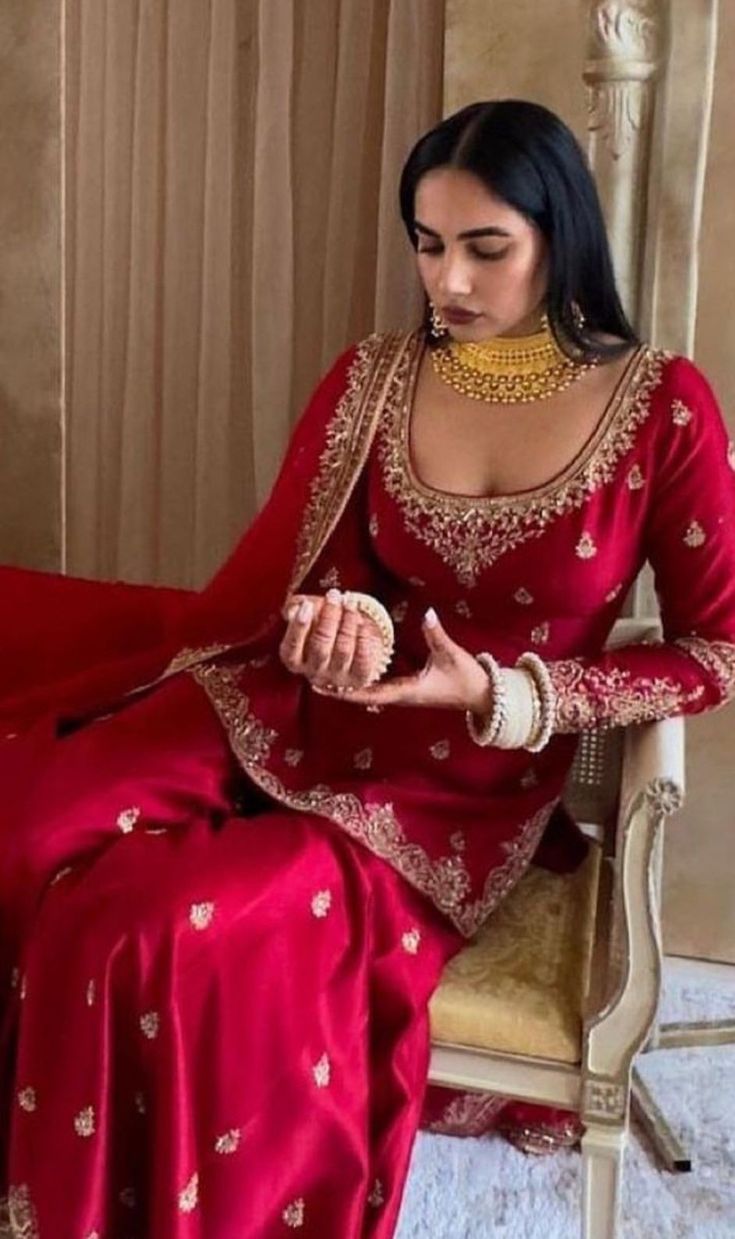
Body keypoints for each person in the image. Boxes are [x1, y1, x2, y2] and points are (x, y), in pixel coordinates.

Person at [1, 97, 735, 1238]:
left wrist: (516, 695)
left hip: (440, 792)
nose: (450, 281)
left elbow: (715, 652)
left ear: (561, 238)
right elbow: (303, 581)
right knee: (26, 826)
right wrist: (335, 621)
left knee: (138, 927)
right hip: (289, 706)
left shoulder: (661, 412)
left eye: (487, 248)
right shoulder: (378, 377)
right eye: (430, 244)